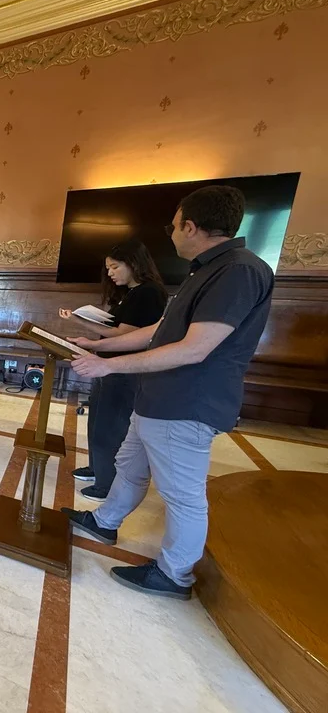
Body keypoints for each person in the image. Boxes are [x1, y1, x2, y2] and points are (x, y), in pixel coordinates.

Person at [63, 185, 274, 601]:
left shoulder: (238, 271)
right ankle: (104, 522)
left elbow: (195, 348)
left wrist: (108, 366)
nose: (171, 234)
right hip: (157, 398)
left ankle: (174, 574)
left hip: (186, 403)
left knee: (182, 495)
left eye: (173, 226)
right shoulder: (205, 269)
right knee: (129, 467)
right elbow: (158, 332)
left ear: (190, 227)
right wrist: (99, 346)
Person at [58, 239, 167, 502]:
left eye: (115, 267)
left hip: (124, 369)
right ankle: (97, 468)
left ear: (134, 263)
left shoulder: (148, 293)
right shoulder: (131, 293)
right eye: (108, 268)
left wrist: (82, 324)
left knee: (111, 426)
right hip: (106, 366)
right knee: (97, 420)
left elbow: (126, 335)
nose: (110, 273)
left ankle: (106, 484)